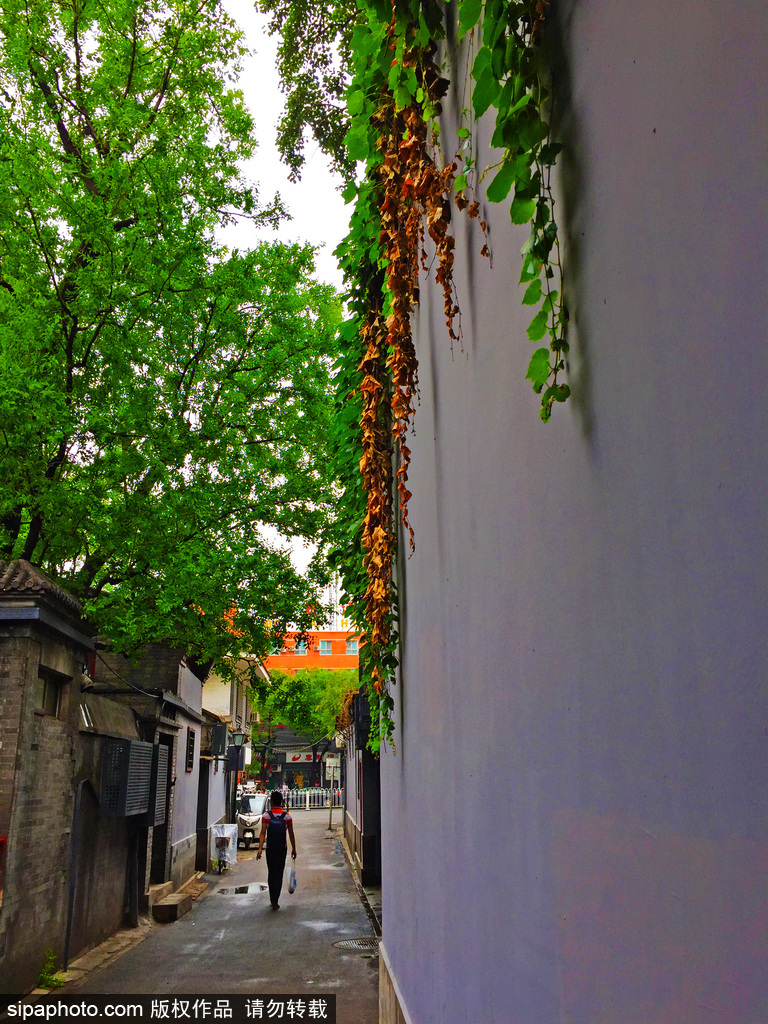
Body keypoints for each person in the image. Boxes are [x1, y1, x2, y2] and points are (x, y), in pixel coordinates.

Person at [256, 790, 296, 909]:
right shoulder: (287, 816)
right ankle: (276, 900)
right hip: (281, 849)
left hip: (270, 849)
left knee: (271, 872)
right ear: (282, 802)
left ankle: (272, 898)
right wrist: (294, 849)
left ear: (271, 802)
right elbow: (291, 834)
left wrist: (259, 849)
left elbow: (263, 833)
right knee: (279, 874)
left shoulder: (266, 816)